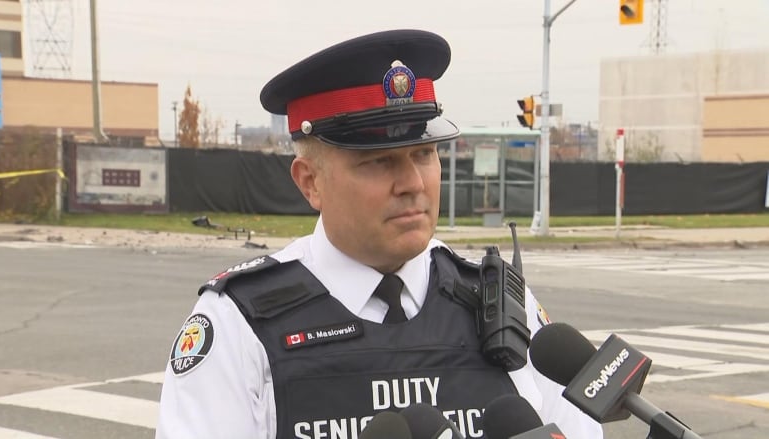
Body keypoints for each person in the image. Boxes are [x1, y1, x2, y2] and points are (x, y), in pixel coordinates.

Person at [156, 29, 603, 439]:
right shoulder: (241, 323)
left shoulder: (500, 300)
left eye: (424, 153)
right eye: (378, 161)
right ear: (310, 182)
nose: (412, 182)